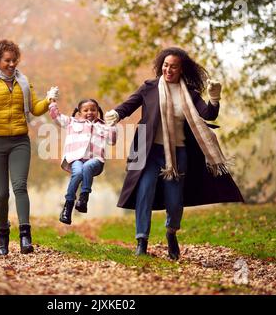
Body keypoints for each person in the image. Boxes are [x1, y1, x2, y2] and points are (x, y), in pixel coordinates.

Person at [105, 47, 244, 260]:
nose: (168, 70)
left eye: (174, 67)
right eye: (166, 66)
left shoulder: (189, 93)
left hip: (178, 154)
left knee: (174, 199)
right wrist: (116, 113)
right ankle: (141, 241)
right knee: (145, 191)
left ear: (181, 69)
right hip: (149, 152)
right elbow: (128, 105)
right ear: (161, 66)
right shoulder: (149, 87)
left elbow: (208, 114)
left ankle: (171, 233)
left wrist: (214, 98)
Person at [0, 39, 59, 255]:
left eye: (14, 60)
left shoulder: (24, 83)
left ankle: (26, 235)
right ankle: (3, 235)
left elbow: (35, 109)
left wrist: (48, 100)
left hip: (20, 141)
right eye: (7, 60)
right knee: (1, 194)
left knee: (20, 187)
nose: (11, 64)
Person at [49, 98, 117, 224]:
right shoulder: (72, 122)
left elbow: (112, 141)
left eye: (93, 110)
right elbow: (56, 116)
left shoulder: (103, 126)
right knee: (79, 172)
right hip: (76, 159)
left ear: (98, 111)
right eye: (85, 110)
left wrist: (112, 124)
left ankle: (83, 198)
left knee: (87, 167)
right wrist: (52, 102)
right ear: (79, 112)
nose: (89, 112)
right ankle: (68, 207)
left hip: (96, 160)